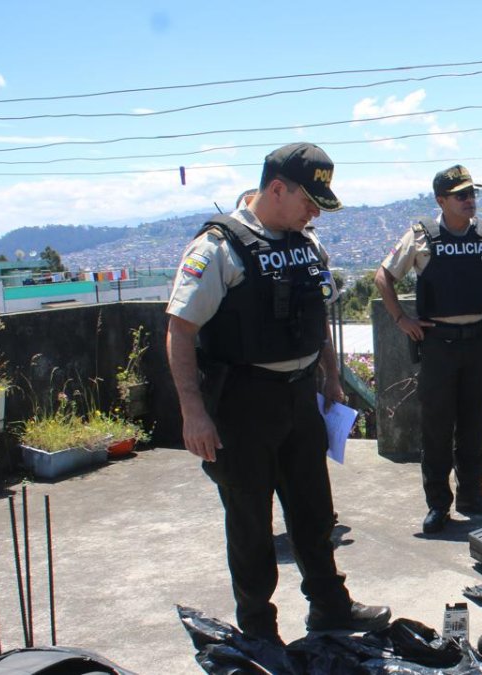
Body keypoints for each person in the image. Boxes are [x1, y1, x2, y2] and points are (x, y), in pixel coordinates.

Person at [165, 143, 390, 644]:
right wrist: (193, 412)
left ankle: (330, 608)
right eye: (309, 201)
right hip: (242, 404)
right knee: (250, 523)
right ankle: (259, 631)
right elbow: (180, 330)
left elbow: (316, 318)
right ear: (276, 189)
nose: (315, 213)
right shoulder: (219, 247)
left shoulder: (306, 244)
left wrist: (331, 377)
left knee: (315, 512)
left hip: (300, 397)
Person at [375, 164, 482, 534]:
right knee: (437, 430)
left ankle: (472, 496)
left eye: (472, 193)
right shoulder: (421, 237)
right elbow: (384, 277)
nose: (470, 200)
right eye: (461, 195)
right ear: (441, 200)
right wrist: (401, 319)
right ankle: (438, 505)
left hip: (478, 342)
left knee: (473, 427)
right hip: (438, 346)